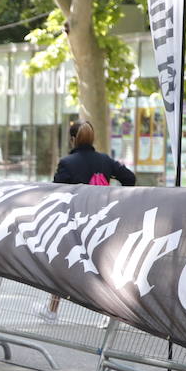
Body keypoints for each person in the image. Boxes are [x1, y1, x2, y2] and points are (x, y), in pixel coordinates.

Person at [40, 120, 135, 321]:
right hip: (101, 222)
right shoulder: (105, 161)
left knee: (60, 265)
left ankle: (52, 310)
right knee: (105, 268)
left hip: (74, 222)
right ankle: (110, 316)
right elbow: (130, 178)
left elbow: (56, 192)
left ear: (73, 139)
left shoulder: (67, 163)